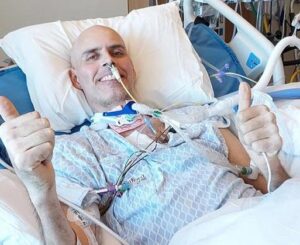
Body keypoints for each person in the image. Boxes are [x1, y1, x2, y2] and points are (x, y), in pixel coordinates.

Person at [0, 25, 289, 245]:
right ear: (76, 79)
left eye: (117, 52)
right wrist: (44, 196)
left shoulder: (195, 116)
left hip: (269, 219)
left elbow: (271, 189)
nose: (108, 62)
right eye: (93, 56)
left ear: (131, 67)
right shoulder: (74, 150)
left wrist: (272, 160)